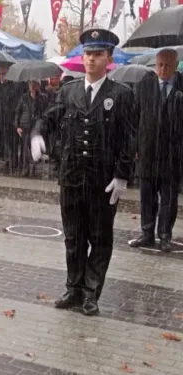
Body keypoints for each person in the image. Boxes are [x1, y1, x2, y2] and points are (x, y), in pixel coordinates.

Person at [30, 29, 136, 316]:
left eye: (97, 54)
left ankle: (91, 292)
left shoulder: (121, 95)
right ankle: (73, 287)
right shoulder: (69, 91)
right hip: (72, 177)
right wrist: (37, 134)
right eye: (88, 53)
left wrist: (122, 175)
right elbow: (48, 117)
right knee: (73, 236)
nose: (91, 59)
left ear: (108, 59)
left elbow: (128, 139)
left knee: (100, 238)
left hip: (103, 181)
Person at [130, 48, 183, 252]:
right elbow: (134, 117)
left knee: (168, 198)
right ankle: (146, 233)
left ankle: (165, 235)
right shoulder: (145, 85)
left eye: (167, 65)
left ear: (175, 66)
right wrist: (134, 146)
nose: (162, 69)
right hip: (148, 150)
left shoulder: (181, 86)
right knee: (147, 196)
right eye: (159, 65)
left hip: (172, 153)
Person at [14, 80, 49, 177]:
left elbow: (46, 112)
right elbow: (18, 112)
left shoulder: (43, 98)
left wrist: (42, 122)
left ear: (38, 86)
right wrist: (17, 126)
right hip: (25, 125)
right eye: (30, 84)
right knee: (25, 148)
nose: (32, 86)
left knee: (35, 147)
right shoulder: (24, 97)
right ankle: (25, 168)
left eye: (35, 84)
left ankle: (33, 167)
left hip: (36, 126)